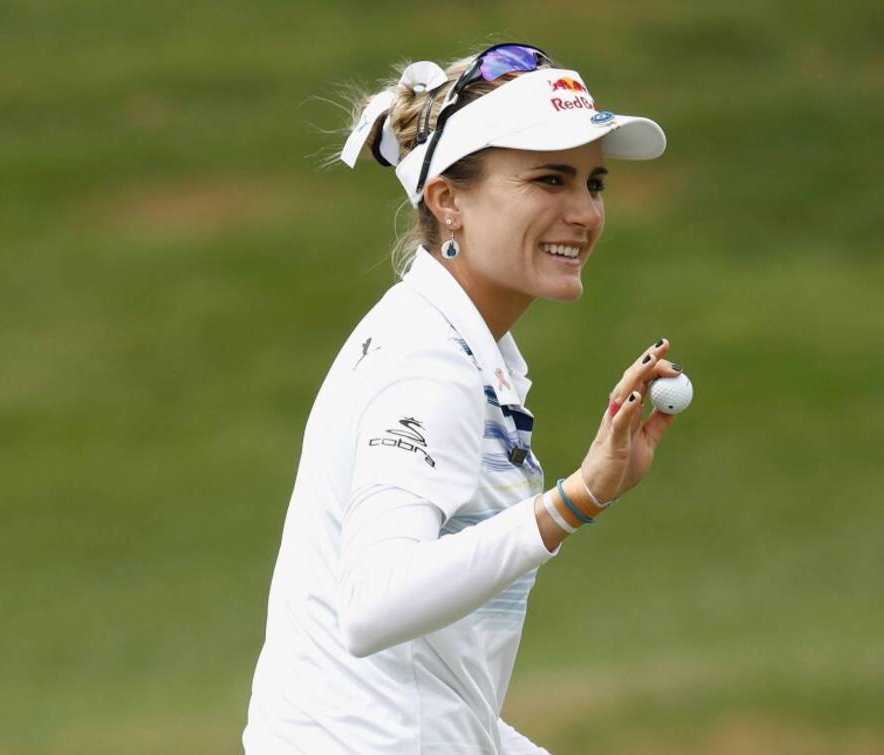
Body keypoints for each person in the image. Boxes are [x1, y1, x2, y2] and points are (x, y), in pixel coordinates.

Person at [243, 42, 681, 754]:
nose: (584, 212)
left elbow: (438, 683)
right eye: (549, 179)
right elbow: (373, 605)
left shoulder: (455, 347)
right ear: (448, 201)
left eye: (593, 182)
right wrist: (574, 500)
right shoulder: (429, 363)